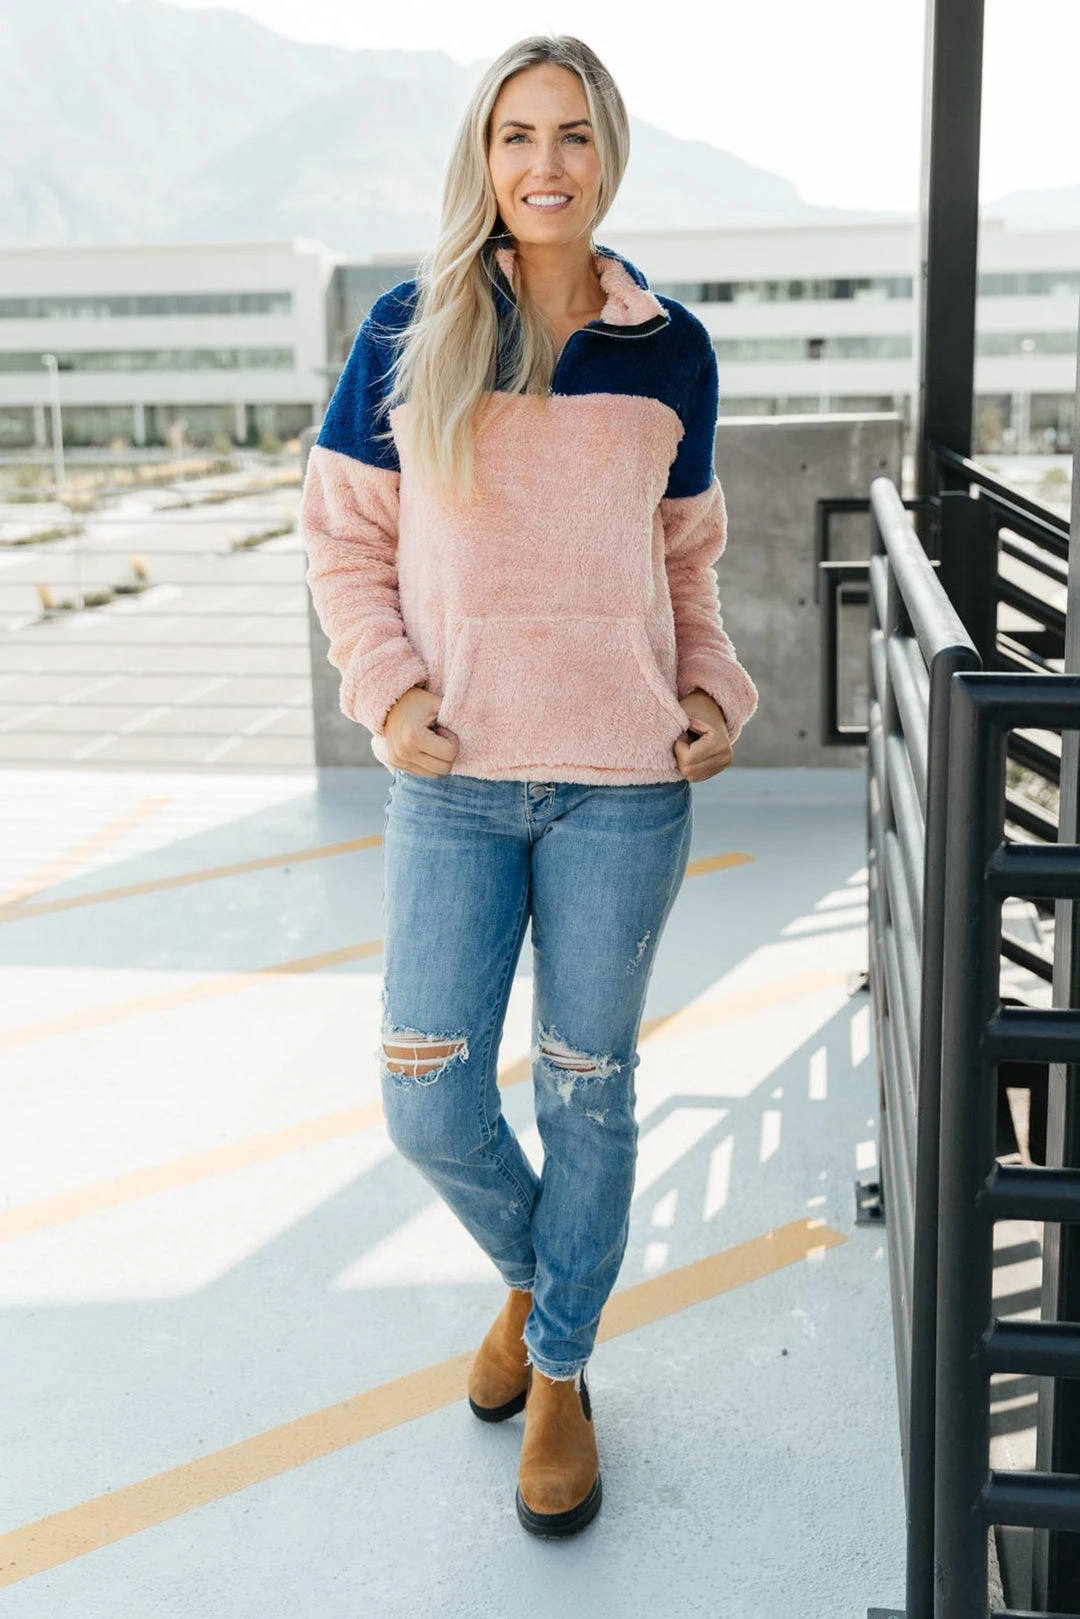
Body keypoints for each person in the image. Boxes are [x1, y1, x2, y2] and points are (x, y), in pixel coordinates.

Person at [300, 33, 758, 1539]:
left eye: (571, 134)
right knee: (426, 1093)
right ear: (483, 155)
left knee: (589, 1089)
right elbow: (345, 541)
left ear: (606, 153)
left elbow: (686, 562)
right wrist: (390, 689)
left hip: (625, 783)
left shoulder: (671, 349)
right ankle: (539, 1277)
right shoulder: (411, 326)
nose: (544, 164)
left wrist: (714, 690)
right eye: (516, 135)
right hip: (454, 781)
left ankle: (559, 1367)